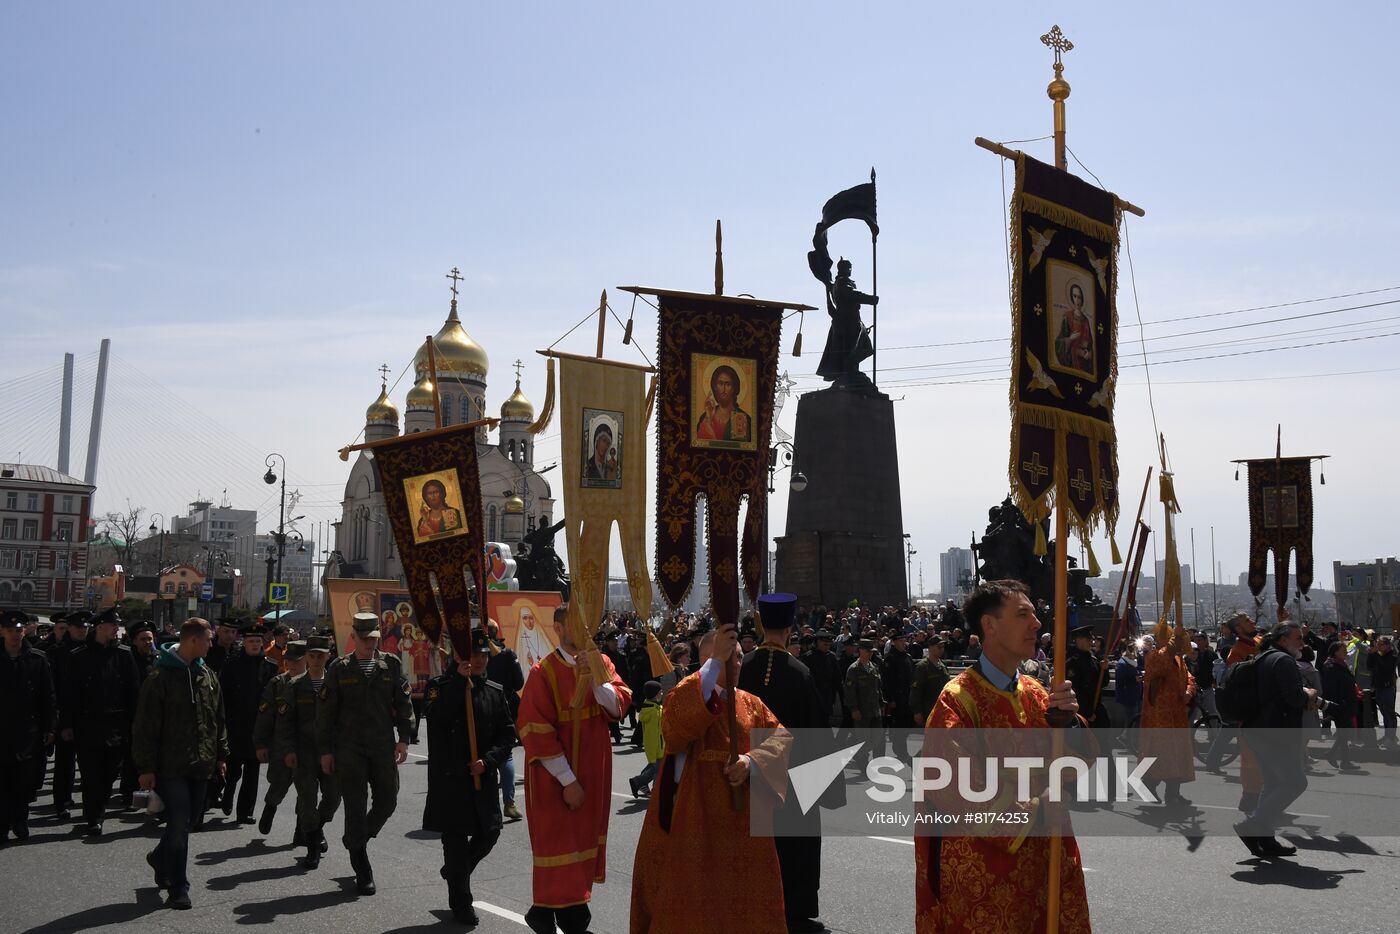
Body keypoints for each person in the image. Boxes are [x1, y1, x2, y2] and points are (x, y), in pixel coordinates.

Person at [914, 580, 1091, 933]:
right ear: (989, 625)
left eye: (1036, 615)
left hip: (1045, 860)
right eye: (1022, 615)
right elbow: (955, 785)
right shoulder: (958, 700)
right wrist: (1038, 811)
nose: (1037, 624)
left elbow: (1076, 764)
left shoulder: (1037, 691)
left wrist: (1070, 723)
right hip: (988, 874)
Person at [629, 620, 791, 934]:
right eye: (731, 655)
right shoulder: (683, 694)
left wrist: (751, 761)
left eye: (742, 656)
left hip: (743, 831)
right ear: (707, 660)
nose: (739, 662)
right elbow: (676, 730)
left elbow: (781, 740)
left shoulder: (752, 704)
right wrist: (717, 661)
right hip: (694, 830)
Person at [516, 605, 632, 934]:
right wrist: (567, 781)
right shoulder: (544, 672)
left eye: (587, 626)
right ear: (558, 628)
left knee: (580, 847)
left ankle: (542, 912)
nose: (583, 633)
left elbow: (619, 705)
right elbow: (535, 730)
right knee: (561, 848)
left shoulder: (602, 663)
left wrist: (596, 678)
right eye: (575, 626)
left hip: (593, 776)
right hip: (556, 781)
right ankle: (574, 924)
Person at [738, 592, 838, 933]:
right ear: (791, 628)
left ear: (762, 624)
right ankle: (793, 911)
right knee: (794, 845)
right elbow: (815, 732)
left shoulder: (742, 668)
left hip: (748, 772)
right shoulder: (800, 673)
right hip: (792, 778)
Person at [132, 619, 229, 910]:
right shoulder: (160, 677)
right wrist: (146, 768)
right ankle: (178, 886)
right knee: (178, 823)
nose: (212, 645)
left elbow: (218, 718)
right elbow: (144, 726)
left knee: (188, 822)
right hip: (170, 766)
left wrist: (221, 754)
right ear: (192, 641)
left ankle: (160, 858)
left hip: (202, 763)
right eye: (208, 639)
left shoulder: (207, 675)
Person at [316, 612, 413, 895]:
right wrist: (325, 751)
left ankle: (356, 838)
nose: (370, 643)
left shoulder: (390, 665)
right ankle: (362, 866)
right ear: (354, 638)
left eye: (374, 638)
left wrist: (404, 738)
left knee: (388, 800)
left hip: (382, 746)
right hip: (350, 750)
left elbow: (404, 703)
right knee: (355, 806)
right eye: (365, 638)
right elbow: (326, 714)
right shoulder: (339, 668)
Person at [424, 629, 515, 925]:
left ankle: (456, 870)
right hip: (451, 780)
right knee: (455, 843)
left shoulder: (494, 690)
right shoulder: (441, 686)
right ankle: (462, 903)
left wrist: (487, 762)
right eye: (473, 655)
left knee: (490, 832)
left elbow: (507, 734)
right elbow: (436, 718)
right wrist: (457, 684)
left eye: (483, 655)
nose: (478, 660)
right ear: (460, 656)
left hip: (482, 778)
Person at [1234, 622, 1317, 858]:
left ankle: (1265, 838)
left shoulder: (1263, 658)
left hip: (1258, 730)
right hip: (1275, 732)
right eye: (1297, 638)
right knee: (1295, 782)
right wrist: (1308, 693)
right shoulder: (1284, 661)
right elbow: (1293, 698)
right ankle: (1252, 825)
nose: (1302, 642)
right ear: (1283, 640)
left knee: (1272, 784)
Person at [62, 606, 142, 835]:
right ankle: (94, 816)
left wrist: (134, 724)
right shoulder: (79, 656)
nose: (116, 628)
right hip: (87, 724)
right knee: (90, 773)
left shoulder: (124, 655)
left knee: (110, 772)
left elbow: (133, 693)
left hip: (116, 725)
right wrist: (67, 724)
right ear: (99, 627)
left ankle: (100, 803)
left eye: (117, 625)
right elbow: (70, 694)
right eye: (112, 624)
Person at [275, 635, 340, 869]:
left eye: (320, 655)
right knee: (307, 800)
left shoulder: (335, 683)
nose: (315, 659)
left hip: (330, 752)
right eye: (311, 655)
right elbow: (285, 722)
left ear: (328, 656)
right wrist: (288, 750)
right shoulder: (295, 685)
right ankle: (312, 845)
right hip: (303, 752)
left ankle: (317, 827)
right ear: (306, 657)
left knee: (333, 797)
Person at [0, 610, 55, 844]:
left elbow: (48, 697)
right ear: (2, 632)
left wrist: (50, 727)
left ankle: (20, 820)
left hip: (27, 730)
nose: (15, 635)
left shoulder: (37, 659)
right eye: (10, 631)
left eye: (19, 630)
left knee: (23, 781)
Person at [219, 623, 278, 823]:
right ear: (243, 642)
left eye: (258, 641)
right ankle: (227, 796)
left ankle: (245, 811)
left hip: (258, 727)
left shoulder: (270, 666)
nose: (255, 644)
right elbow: (223, 695)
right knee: (233, 769)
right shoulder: (231, 663)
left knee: (252, 772)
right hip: (236, 725)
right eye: (251, 641)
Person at [1138, 623, 1196, 806]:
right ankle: (1149, 783)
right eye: (1170, 638)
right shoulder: (1153, 656)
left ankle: (1173, 793)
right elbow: (1159, 665)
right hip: (1160, 715)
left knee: (1178, 754)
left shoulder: (1179, 659)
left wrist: (1189, 690)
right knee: (1161, 753)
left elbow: (1190, 678)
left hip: (1177, 713)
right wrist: (1175, 639)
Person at [253, 640, 306, 837]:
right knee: (279, 783)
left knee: (306, 791)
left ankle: (302, 830)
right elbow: (264, 716)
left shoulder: (316, 683)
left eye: (297, 661)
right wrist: (260, 744)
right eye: (288, 661)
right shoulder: (277, 684)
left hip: (307, 747)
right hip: (281, 745)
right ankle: (270, 808)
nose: (292, 666)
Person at [46, 609, 88, 821]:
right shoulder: (56, 652)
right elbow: (52, 688)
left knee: (91, 763)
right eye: (78, 627)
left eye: (85, 627)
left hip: (88, 714)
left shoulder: (92, 650)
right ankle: (61, 802)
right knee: (64, 762)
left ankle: (91, 806)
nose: (82, 630)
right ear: (69, 629)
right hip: (65, 713)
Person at [485, 620, 525, 821]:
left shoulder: (474, 655)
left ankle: (488, 806)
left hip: (478, 711)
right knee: (505, 755)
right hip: (503, 709)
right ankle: (508, 803)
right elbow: (519, 683)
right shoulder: (508, 655)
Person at [844, 639, 884, 772]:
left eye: (871, 651)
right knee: (864, 738)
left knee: (877, 738)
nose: (870, 654)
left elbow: (878, 688)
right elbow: (850, 692)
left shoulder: (873, 667)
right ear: (860, 650)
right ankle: (863, 763)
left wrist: (881, 703)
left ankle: (855, 751)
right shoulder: (853, 669)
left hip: (874, 710)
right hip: (862, 710)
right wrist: (854, 709)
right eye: (867, 651)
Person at [1321, 641, 1360, 771]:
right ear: (1336, 651)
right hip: (1340, 704)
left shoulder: (1341, 664)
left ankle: (1339, 758)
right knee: (1345, 731)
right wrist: (1338, 705)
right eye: (1343, 650)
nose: (1346, 652)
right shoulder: (1330, 666)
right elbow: (1330, 689)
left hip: (1347, 702)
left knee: (1344, 732)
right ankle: (1341, 759)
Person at [881, 629, 916, 767]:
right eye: (901, 641)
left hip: (907, 698)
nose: (903, 643)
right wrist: (890, 700)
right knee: (899, 725)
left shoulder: (907, 657)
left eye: (904, 640)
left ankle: (899, 746)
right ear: (894, 642)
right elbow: (887, 681)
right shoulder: (890, 658)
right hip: (896, 698)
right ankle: (902, 752)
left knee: (907, 725)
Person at [695, 364, 751, 443]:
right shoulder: (705, 417)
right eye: (720, 384)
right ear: (714, 386)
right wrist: (708, 419)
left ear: (734, 388)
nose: (724, 389)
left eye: (728, 384)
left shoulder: (741, 417)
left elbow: (741, 448)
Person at [800, 629, 843, 727]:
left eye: (828, 645)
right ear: (818, 643)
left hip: (827, 699)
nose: (827, 647)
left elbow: (837, 678)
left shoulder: (831, 657)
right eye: (824, 645)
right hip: (812, 699)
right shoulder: (808, 657)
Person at [629, 681, 664, 797]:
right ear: (655, 695)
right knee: (658, 771)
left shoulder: (652, 707)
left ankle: (639, 783)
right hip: (657, 747)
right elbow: (653, 734)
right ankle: (653, 790)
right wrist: (653, 753)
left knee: (654, 768)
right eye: (660, 692)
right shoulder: (654, 712)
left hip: (657, 746)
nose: (662, 694)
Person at [910, 634, 951, 727]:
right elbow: (916, 690)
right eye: (939, 647)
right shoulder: (922, 667)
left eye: (943, 647)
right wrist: (917, 711)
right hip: (928, 709)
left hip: (942, 709)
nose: (942, 650)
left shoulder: (943, 666)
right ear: (931, 648)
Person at [1054, 281, 1094, 372]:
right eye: (1074, 296)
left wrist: (1090, 353)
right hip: (1072, 362)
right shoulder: (1067, 317)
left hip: (1084, 365)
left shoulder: (1086, 320)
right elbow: (1058, 343)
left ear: (1082, 299)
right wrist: (1070, 339)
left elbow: (1090, 345)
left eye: (1079, 297)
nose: (1077, 300)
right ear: (1071, 298)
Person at [1366, 634, 1398, 746]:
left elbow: (1384, 668)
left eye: (1381, 645)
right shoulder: (1378, 655)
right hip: (1378, 687)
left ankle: (1391, 737)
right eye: (1377, 644)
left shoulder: (1392, 656)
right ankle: (1387, 736)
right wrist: (1371, 654)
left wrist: (1375, 654)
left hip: (1388, 688)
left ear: (1387, 646)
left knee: (1389, 713)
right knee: (1384, 713)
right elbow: (1369, 666)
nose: (1378, 647)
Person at [1114, 641, 1142, 726]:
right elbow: (1120, 681)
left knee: (1134, 719)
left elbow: (1136, 671)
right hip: (1128, 696)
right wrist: (1134, 679)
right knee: (1131, 720)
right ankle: (1126, 738)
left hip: (1135, 695)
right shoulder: (1122, 664)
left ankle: (1127, 737)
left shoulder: (1132, 661)